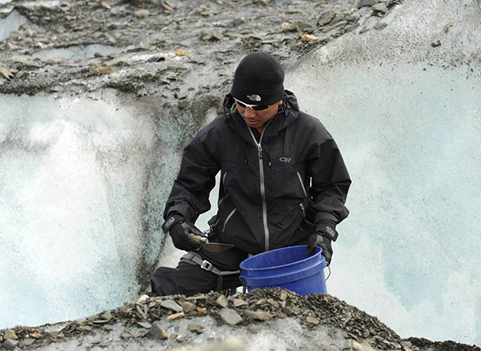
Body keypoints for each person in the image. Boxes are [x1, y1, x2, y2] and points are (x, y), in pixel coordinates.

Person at [150, 52, 351, 296]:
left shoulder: (308, 132)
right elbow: (190, 186)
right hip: (231, 247)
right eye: (241, 103)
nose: (248, 113)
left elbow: (332, 185)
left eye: (258, 107)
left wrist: (324, 231)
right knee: (166, 291)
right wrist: (177, 220)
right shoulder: (218, 133)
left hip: (291, 249)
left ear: (278, 100)